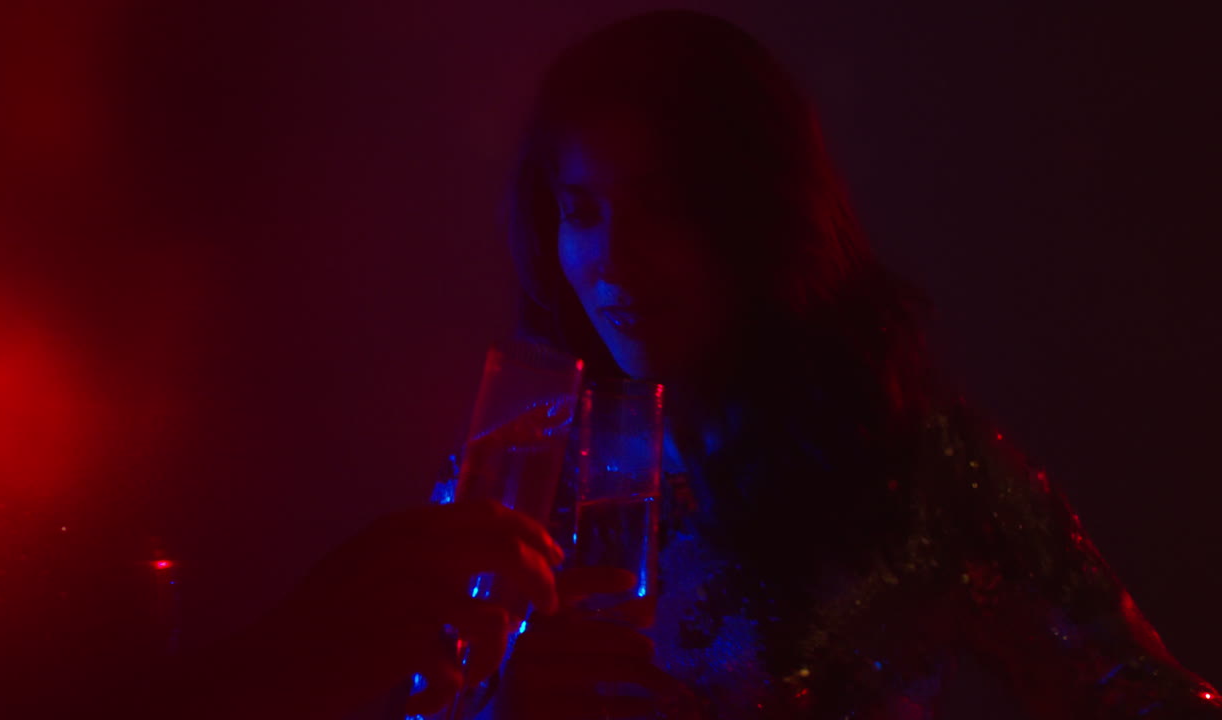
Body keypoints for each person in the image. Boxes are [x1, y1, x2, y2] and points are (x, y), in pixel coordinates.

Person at [151, 9, 1221, 720]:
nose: (610, 259)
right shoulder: (515, 475)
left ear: (752, 210)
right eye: (580, 210)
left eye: (660, 203)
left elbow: (1144, 696)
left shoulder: (915, 464)